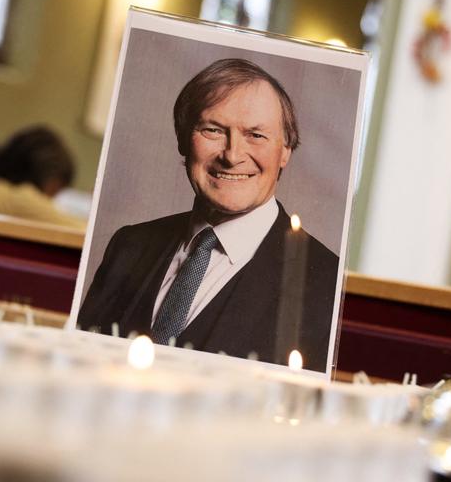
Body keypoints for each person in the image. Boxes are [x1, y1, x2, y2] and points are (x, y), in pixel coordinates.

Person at [77, 58, 338, 372]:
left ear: (286, 151)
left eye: (256, 135)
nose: (232, 156)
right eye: (213, 130)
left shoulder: (325, 283)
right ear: (184, 139)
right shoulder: (129, 245)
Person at [0, 125, 86, 229]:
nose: (50, 201)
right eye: (55, 191)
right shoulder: (19, 200)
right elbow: (84, 236)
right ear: (48, 180)